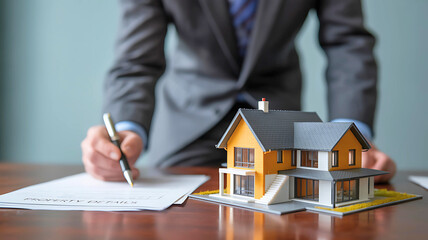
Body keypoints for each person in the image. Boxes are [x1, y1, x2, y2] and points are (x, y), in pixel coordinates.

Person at [81, 0, 396, 183]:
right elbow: (136, 58)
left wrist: (351, 137)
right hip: (186, 130)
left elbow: (348, 45)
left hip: (279, 126)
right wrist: (124, 129)